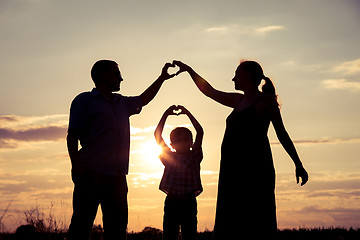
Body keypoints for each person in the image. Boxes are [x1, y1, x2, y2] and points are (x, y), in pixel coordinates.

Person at [173, 60, 309, 239]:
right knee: (231, 219)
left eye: (237, 74)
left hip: (255, 168)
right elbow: (209, 91)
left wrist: (298, 163)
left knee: (255, 219)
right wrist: (189, 70)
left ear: (248, 76)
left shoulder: (265, 101)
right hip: (231, 169)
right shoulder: (238, 100)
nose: (233, 78)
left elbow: (281, 133)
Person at [67, 60, 176, 240]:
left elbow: (144, 99)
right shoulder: (84, 100)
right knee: (81, 225)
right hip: (89, 173)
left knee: (117, 229)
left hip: (117, 177)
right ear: (103, 75)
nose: (121, 79)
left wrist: (162, 78)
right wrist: (76, 167)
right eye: (117, 74)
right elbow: (72, 136)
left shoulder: (121, 102)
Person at [154, 105, 204, 240]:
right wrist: (166, 114)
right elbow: (157, 135)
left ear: (191, 142)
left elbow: (200, 131)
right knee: (170, 235)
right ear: (172, 144)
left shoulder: (195, 156)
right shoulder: (169, 157)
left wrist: (187, 113)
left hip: (189, 201)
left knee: (190, 234)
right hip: (172, 202)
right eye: (177, 140)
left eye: (185, 139)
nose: (181, 143)